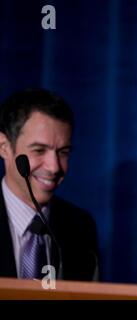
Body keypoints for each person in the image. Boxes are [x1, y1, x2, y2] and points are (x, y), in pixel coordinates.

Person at [0, 88, 99, 281]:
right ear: (4, 147)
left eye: (63, 152)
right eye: (39, 150)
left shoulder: (80, 227)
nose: (54, 167)